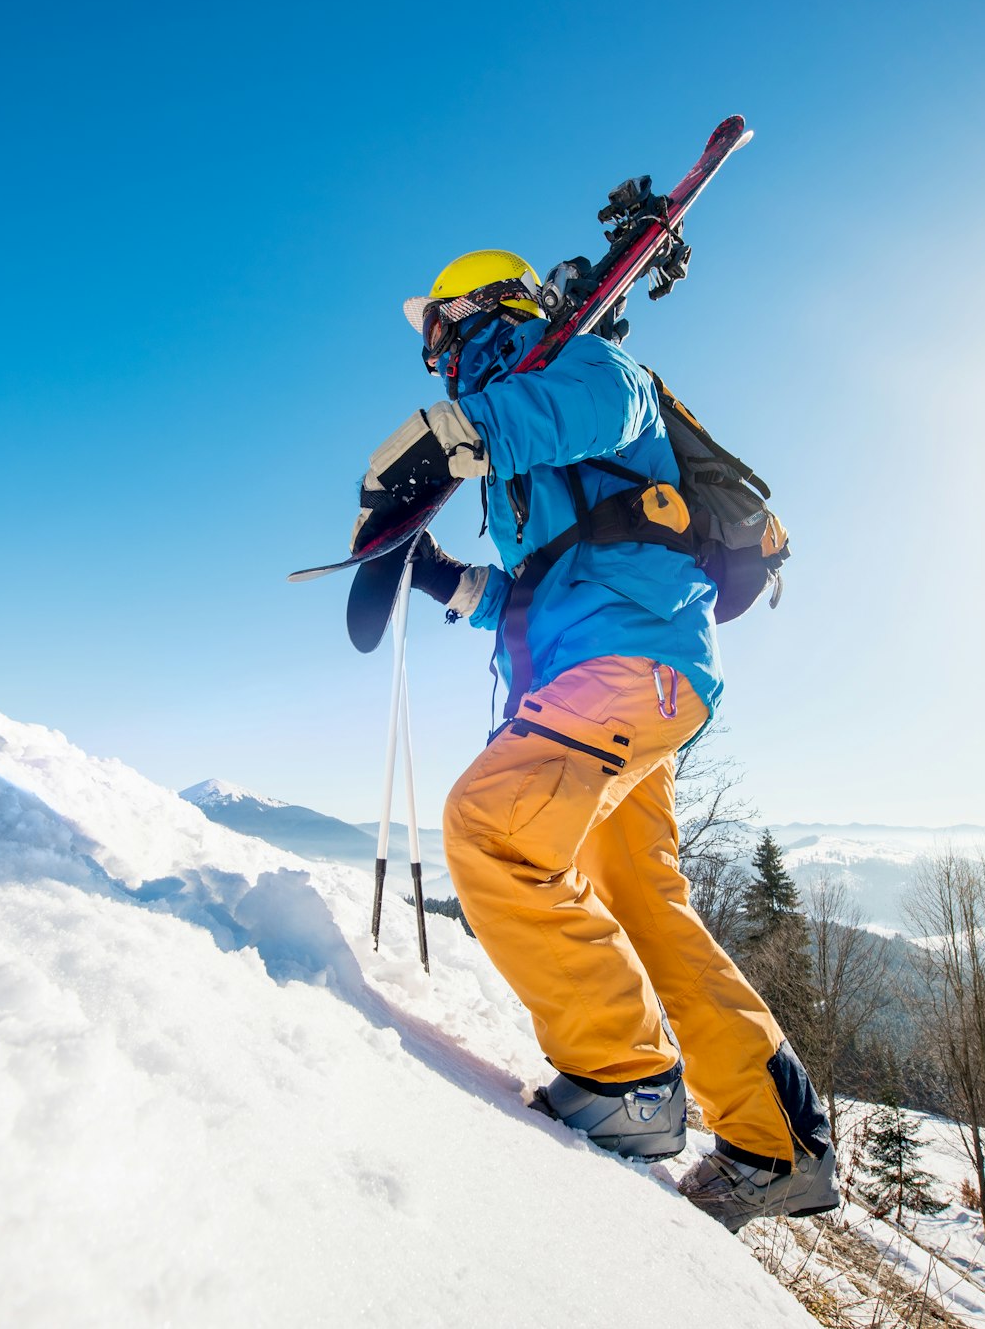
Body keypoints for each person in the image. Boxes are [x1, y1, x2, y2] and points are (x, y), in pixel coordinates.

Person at [352, 250, 839, 1230]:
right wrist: (449, 580)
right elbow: (553, 589)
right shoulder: (536, 445)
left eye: (437, 334)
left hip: (624, 668)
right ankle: (771, 1146)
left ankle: (624, 1082)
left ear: (482, 313)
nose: (434, 358)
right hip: (627, 668)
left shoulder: (577, 371)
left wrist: (449, 437)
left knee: (489, 829)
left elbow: (598, 404)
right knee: (639, 902)